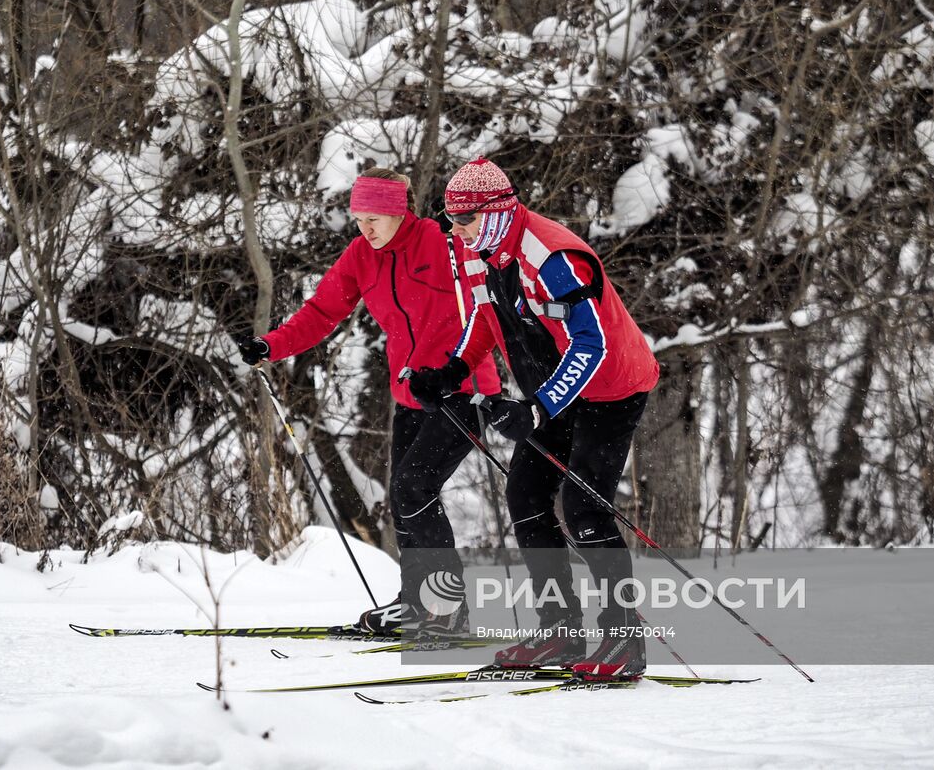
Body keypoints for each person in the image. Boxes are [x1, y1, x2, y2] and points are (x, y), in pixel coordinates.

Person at [406, 157, 660, 678]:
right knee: (524, 494)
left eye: (465, 218)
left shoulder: (554, 256)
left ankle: (623, 638)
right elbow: (485, 315)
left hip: (610, 387)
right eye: (451, 218)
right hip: (555, 389)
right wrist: (452, 370)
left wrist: (538, 408)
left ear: (497, 211)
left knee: (584, 507)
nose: (456, 229)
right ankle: (560, 629)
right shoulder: (481, 249)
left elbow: (592, 343)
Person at [234, 168, 500, 635]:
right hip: (412, 395)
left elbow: (490, 297)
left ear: (400, 211)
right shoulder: (362, 256)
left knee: (412, 489)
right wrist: (271, 345)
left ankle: (446, 610)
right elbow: (322, 311)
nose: (365, 228)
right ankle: (419, 603)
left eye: (374, 217)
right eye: (359, 218)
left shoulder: (443, 243)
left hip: (463, 389)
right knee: (405, 498)